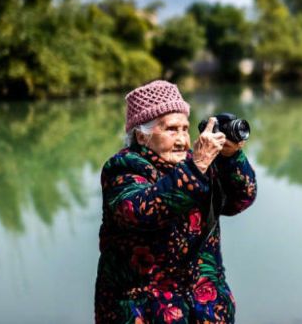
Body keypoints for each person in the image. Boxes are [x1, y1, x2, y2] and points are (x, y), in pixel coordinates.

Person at [95, 80, 257, 324]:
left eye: (185, 128)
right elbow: (140, 211)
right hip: (145, 312)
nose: (182, 139)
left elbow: (240, 200)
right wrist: (197, 167)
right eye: (171, 129)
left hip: (206, 308)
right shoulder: (123, 167)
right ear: (141, 135)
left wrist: (231, 158)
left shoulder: (195, 163)